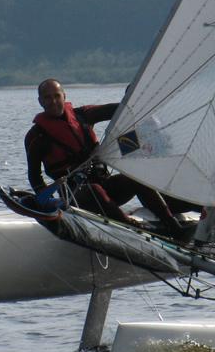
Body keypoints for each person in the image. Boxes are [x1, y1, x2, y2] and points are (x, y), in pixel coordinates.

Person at [25, 78, 185, 235]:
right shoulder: (36, 137)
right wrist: (47, 203)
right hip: (76, 197)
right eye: (47, 97)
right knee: (94, 190)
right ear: (40, 101)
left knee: (133, 178)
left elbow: (118, 110)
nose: (53, 101)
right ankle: (132, 228)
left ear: (64, 96)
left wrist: (134, 96)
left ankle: (173, 227)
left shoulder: (82, 115)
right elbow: (34, 176)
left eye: (56, 96)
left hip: (106, 188)